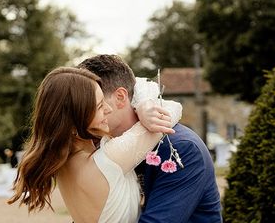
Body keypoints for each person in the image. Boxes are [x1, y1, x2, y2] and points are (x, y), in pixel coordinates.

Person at [8, 66, 182, 223]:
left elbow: (137, 84)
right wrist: (145, 107)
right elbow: (173, 109)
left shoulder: (61, 159)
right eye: (99, 106)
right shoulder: (109, 159)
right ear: (75, 120)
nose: (109, 109)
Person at [79, 54, 222, 223]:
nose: (82, 114)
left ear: (120, 97)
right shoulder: (102, 146)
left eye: (91, 103)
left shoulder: (181, 149)